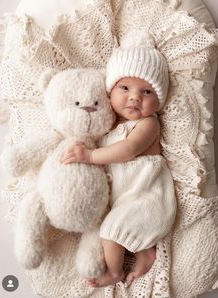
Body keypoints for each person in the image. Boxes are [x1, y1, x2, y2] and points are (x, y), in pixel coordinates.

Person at [61, 39, 177, 287]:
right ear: (109, 92)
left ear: (159, 99)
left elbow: (127, 150)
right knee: (110, 224)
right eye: (125, 87)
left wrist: (90, 157)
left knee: (110, 230)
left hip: (148, 198)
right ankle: (145, 253)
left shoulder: (148, 124)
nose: (135, 97)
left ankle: (114, 273)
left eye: (147, 92)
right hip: (127, 200)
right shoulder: (109, 127)